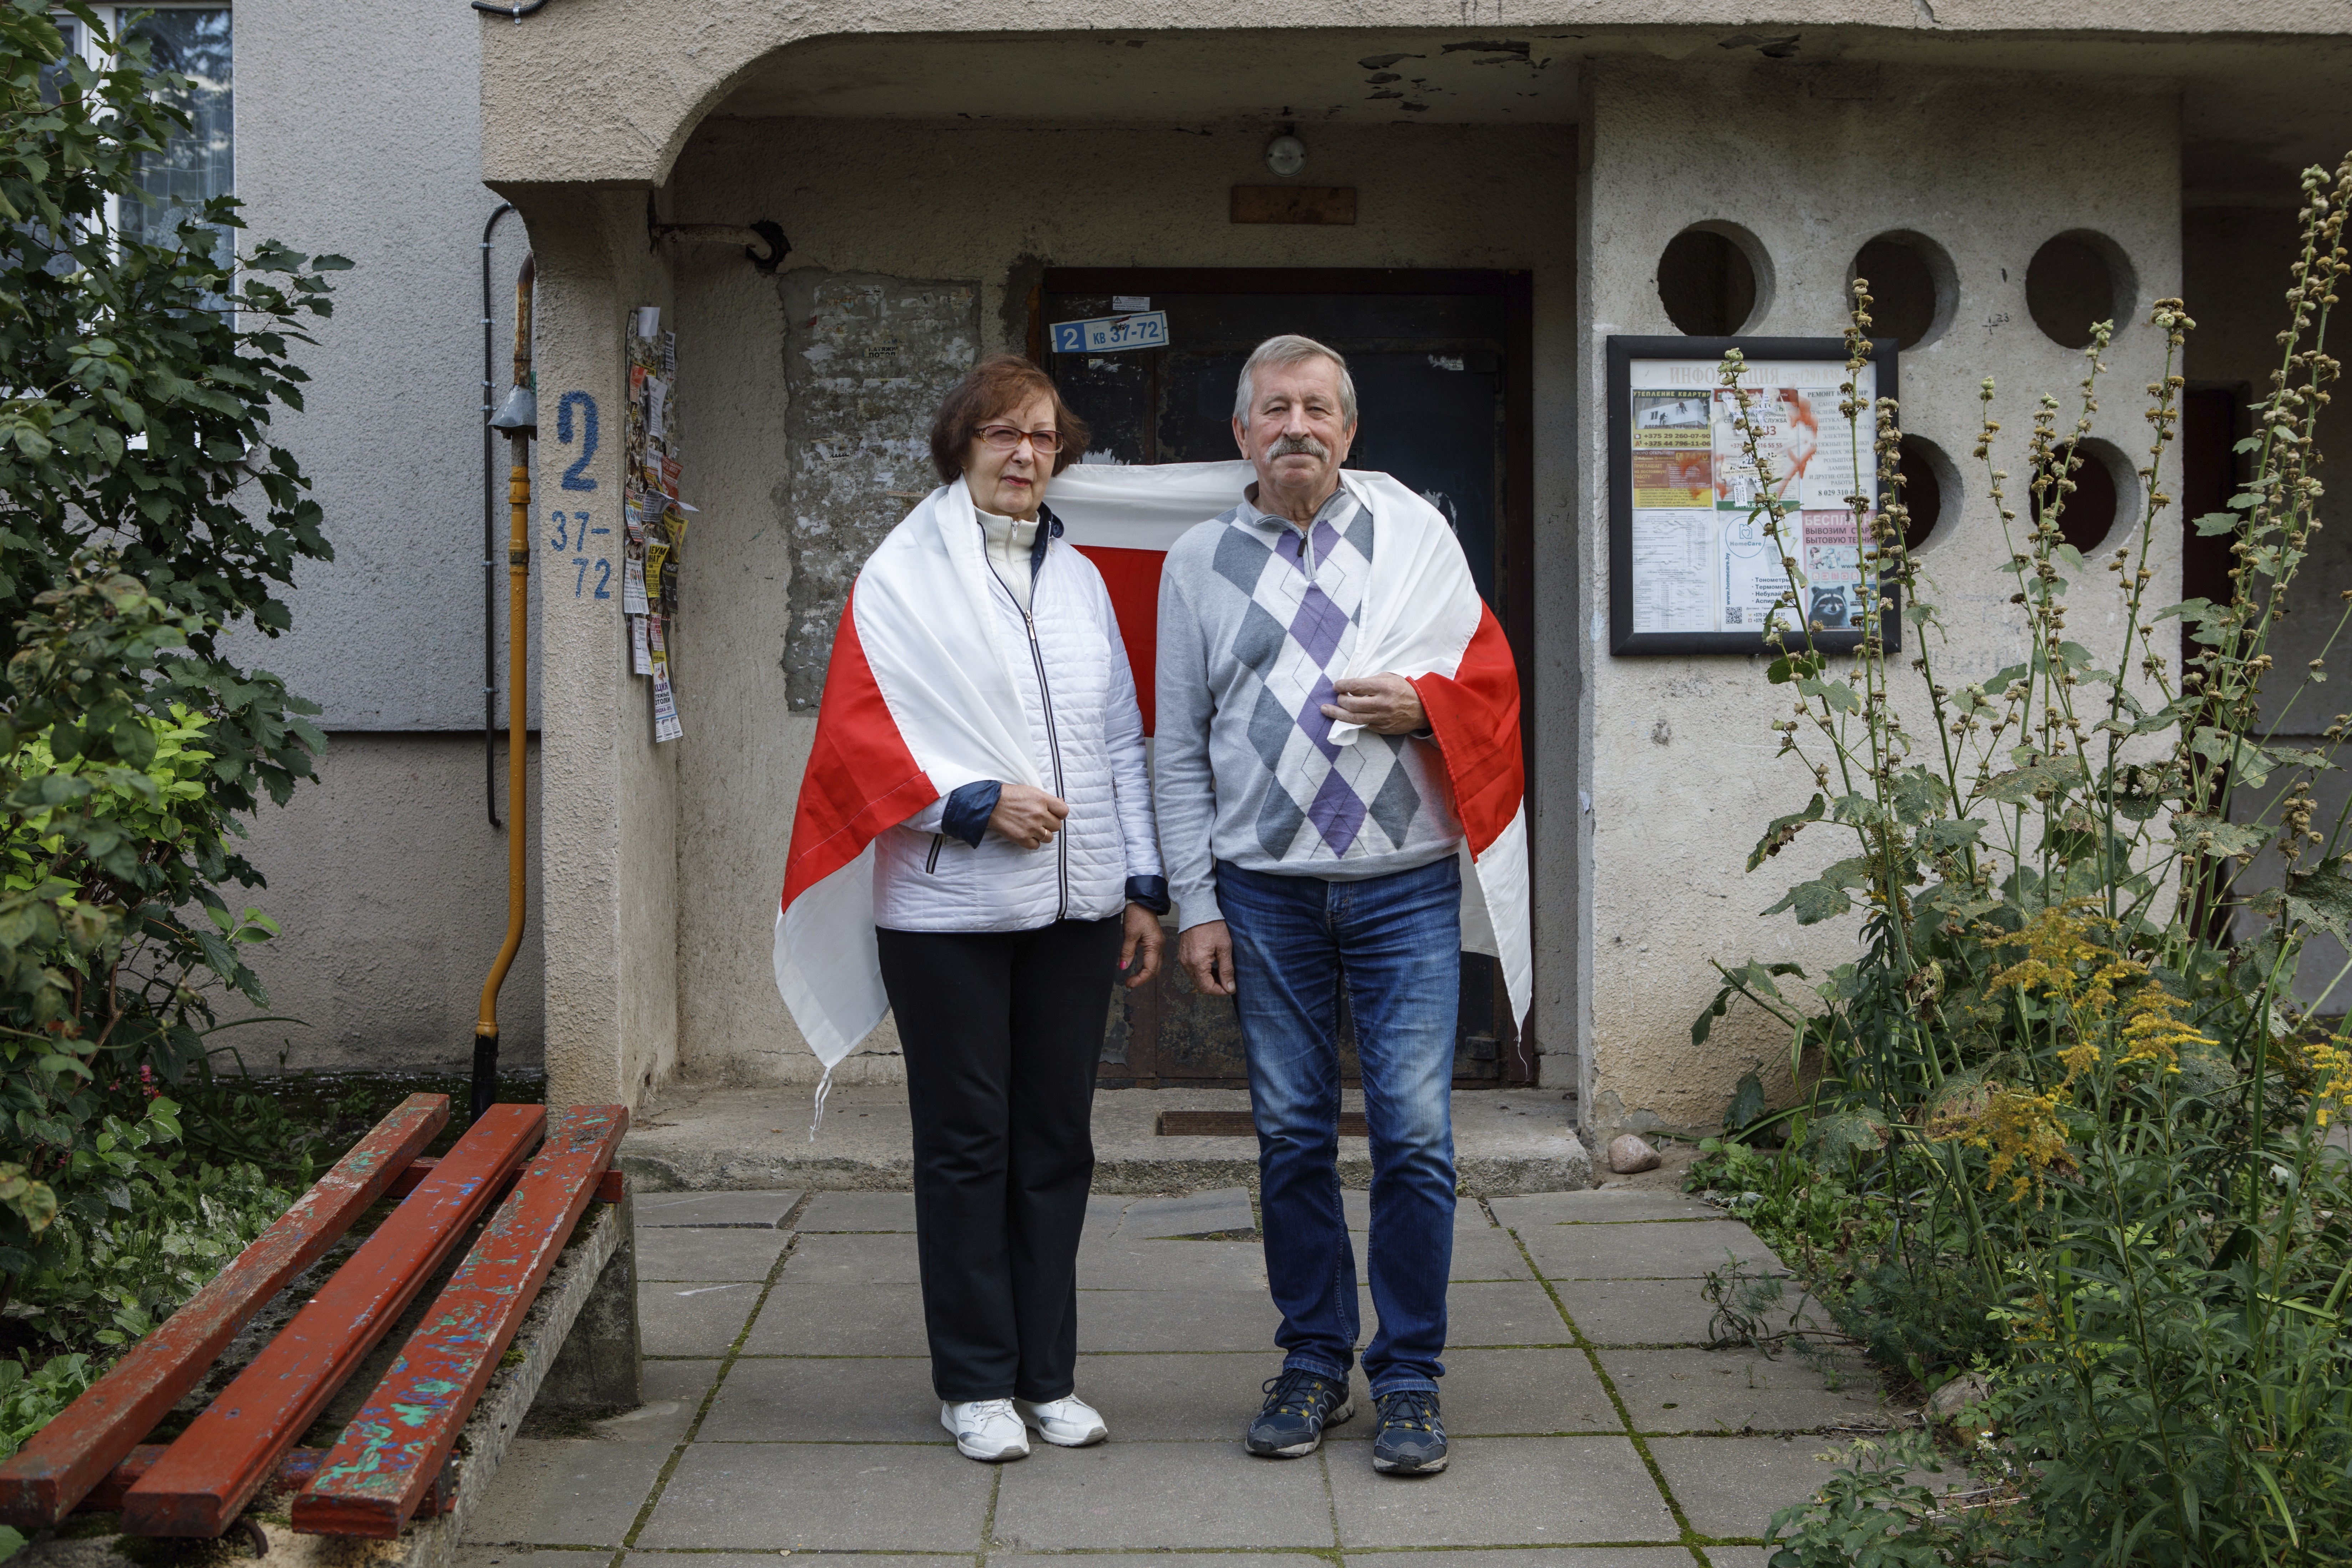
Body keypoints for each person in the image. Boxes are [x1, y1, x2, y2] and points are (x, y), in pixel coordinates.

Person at [772, 354, 1167, 1464]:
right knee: (964, 1145)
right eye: (1003, 434)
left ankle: (1047, 1376)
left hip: (1076, 911)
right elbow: (860, 743)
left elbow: (1118, 744)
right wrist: (970, 804)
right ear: (962, 446)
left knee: (1055, 1144)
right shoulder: (901, 577)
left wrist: (1139, 884)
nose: (1025, 454)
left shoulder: (1081, 580)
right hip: (945, 915)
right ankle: (974, 1383)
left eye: (1043, 437)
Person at [1151, 334, 1528, 1477]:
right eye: (1274, 410)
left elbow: (1481, 676)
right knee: (1289, 1137)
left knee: (1415, 1137)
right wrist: (1194, 904)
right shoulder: (1195, 561)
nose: (1296, 427)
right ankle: (1313, 1356)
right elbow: (1174, 749)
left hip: (1402, 885)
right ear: (1241, 434)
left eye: (1318, 408)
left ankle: (1407, 1374)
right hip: (1262, 896)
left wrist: (1422, 707)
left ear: (1349, 431)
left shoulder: (1414, 534)